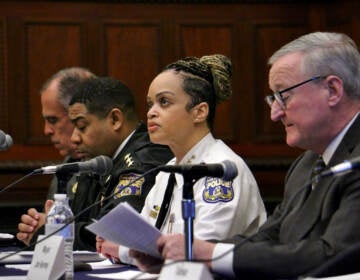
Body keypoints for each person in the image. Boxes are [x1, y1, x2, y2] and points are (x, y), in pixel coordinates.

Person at [130, 32, 360, 279]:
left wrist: (207, 253)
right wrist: (186, 254)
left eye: (284, 95)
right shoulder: (306, 164)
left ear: (333, 90)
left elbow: (336, 255)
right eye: (273, 98)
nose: (275, 113)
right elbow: (271, 234)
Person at [96, 54, 267, 265]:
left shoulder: (222, 170)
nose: (151, 113)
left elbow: (193, 252)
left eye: (164, 102)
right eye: (150, 104)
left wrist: (122, 250)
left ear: (199, 112)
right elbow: (145, 242)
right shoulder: (167, 170)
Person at [17, 76, 173, 251]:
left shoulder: (144, 160)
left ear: (115, 119)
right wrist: (50, 221)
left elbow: (112, 234)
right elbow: (85, 221)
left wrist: (54, 230)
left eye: (82, 126)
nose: (74, 138)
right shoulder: (99, 160)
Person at [16, 67, 96, 245]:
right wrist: (35, 227)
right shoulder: (65, 169)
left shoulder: (107, 164)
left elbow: (103, 237)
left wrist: (51, 230)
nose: (46, 130)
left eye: (53, 120)